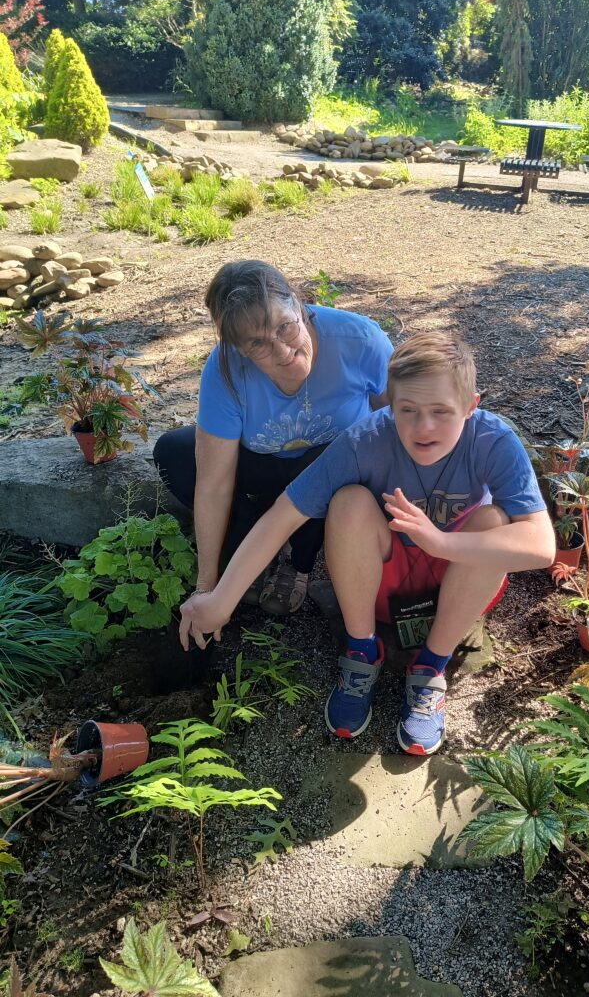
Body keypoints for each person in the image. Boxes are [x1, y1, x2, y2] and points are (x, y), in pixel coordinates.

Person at [179, 332, 555, 755]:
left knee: (494, 522)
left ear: (471, 406)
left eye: (441, 412)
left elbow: (541, 545)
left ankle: (430, 667)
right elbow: (283, 515)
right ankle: (361, 653)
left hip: (458, 582)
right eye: (407, 410)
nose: (423, 427)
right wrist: (220, 599)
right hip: (380, 582)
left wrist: (438, 542)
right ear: (389, 405)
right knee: (348, 503)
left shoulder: (492, 439)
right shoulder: (366, 440)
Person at [154, 260, 392, 616]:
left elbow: (397, 419)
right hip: (264, 462)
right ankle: (251, 540)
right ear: (239, 349)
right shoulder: (225, 371)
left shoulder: (358, 339)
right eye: (258, 343)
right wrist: (206, 585)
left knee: (331, 459)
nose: (283, 352)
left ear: (299, 305)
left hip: (333, 466)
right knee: (174, 452)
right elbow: (213, 482)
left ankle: (298, 562)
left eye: (285, 327)